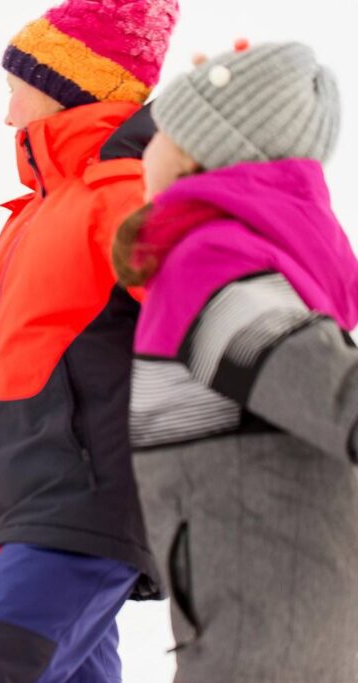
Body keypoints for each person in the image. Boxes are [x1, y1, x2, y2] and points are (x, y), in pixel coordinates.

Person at [0, 0, 179, 680]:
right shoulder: (32, 216)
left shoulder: (122, 191)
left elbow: (209, 306)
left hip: (75, 510)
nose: (7, 114)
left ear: (61, 84)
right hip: (20, 516)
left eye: (14, 89)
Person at [113, 41, 358, 682]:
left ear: (198, 150)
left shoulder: (211, 262)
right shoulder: (250, 257)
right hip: (285, 624)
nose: (145, 150)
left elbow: (337, 394)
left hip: (260, 643)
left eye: (159, 132)